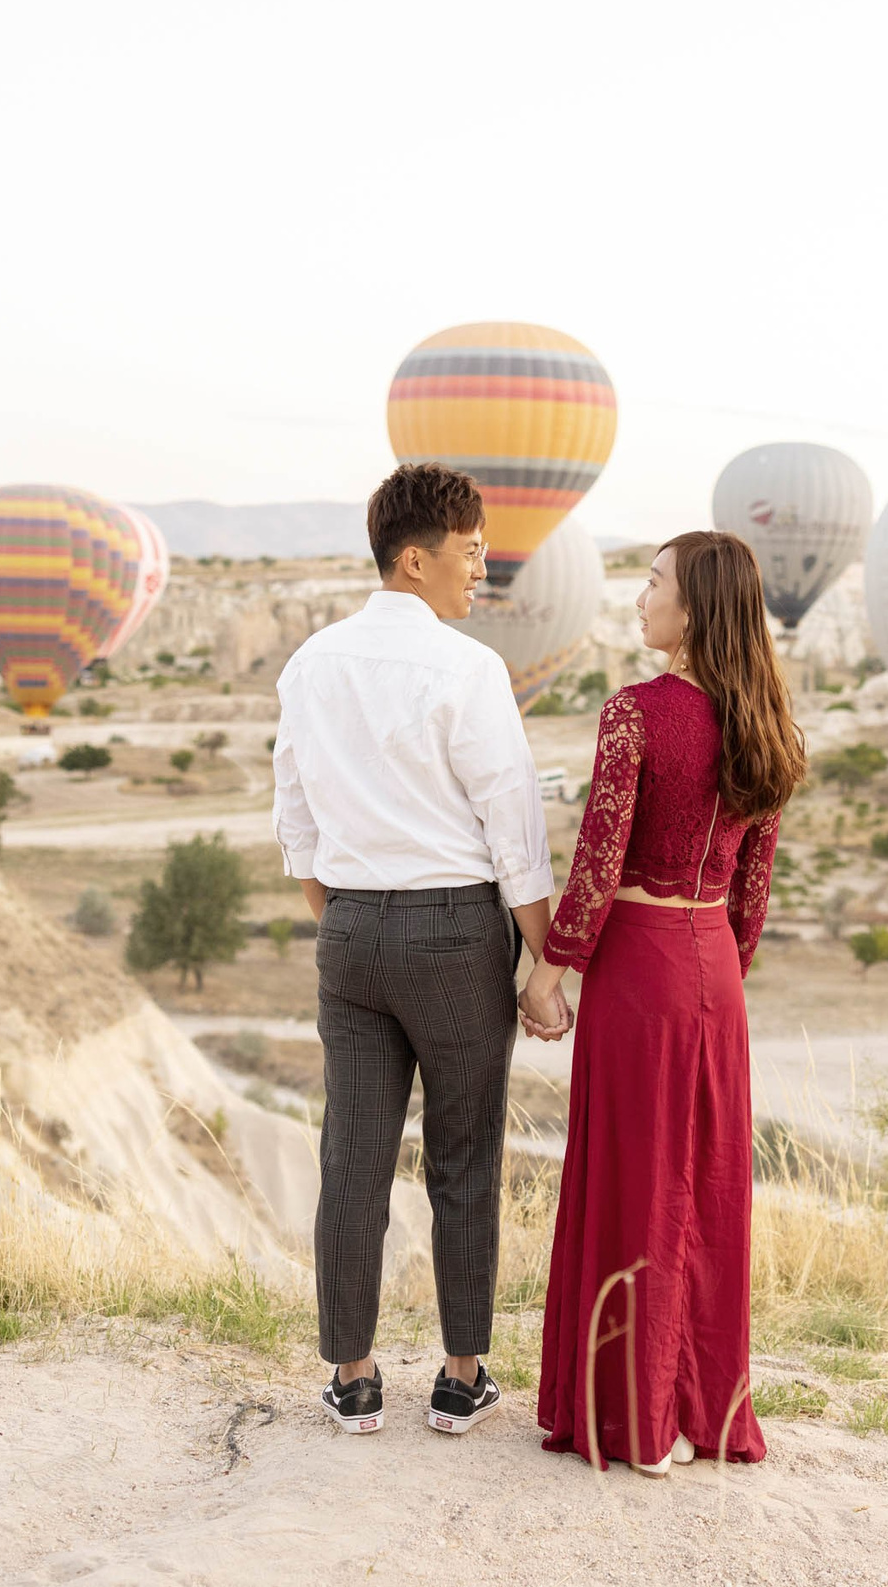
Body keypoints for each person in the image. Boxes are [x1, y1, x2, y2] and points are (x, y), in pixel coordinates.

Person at [272, 462, 557, 1438]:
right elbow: (513, 826)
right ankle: (458, 1376)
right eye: (470, 551)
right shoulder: (467, 669)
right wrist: (545, 962)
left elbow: (296, 826)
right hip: (453, 930)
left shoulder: (309, 663)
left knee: (352, 1157)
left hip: (349, 929)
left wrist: (352, 917)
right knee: (464, 1157)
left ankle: (353, 1379)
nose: (483, 569)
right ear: (413, 557)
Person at [522, 529, 805, 1474]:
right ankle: (697, 1413)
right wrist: (718, 972)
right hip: (714, 969)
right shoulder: (768, 722)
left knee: (634, 1184)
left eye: (652, 585)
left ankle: (633, 1421)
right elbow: (753, 897)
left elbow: (599, 863)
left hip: (640, 966)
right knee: (705, 1190)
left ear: (691, 610)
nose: (639, 600)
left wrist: (552, 970)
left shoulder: (637, 714)